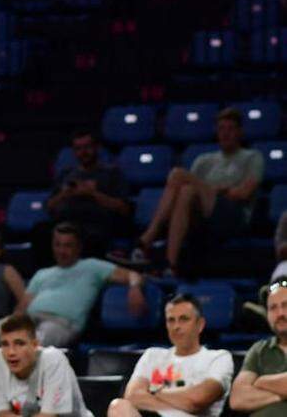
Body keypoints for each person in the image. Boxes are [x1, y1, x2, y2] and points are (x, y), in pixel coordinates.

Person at [0, 223, 146, 360]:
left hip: (61, 324)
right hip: (29, 321)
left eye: (68, 245)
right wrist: (12, 325)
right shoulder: (42, 273)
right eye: (58, 245)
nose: (61, 250)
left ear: (78, 248)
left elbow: (133, 274)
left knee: (30, 344)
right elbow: (22, 307)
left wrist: (135, 288)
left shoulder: (93, 267)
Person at [135, 107, 264, 272]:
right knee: (185, 192)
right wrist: (222, 189)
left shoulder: (252, 157)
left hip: (233, 215)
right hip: (201, 216)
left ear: (240, 132)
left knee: (178, 174)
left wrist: (213, 191)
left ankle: (148, 237)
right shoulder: (204, 160)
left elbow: (243, 194)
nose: (225, 134)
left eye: (231, 129)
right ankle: (171, 265)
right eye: (221, 129)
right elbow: (188, 190)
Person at [108, 293, 233, 417]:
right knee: (119, 406)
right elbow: (133, 396)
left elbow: (195, 401)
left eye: (184, 319)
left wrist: (153, 391)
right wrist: (179, 402)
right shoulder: (152, 355)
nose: (176, 326)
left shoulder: (219, 358)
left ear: (200, 324)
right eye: (171, 320)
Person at [0, 314, 88, 417]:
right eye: (5, 344)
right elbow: (2, 414)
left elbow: (49, 416)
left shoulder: (53, 360)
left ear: (35, 345)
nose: (11, 352)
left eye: (19, 343)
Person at [46, 130, 130, 257]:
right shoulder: (66, 174)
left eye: (87, 147)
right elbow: (48, 206)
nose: (83, 152)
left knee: (86, 237)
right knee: (40, 231)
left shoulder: (111, 173)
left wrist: (92, 193)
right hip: (65, 223)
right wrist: (64, 194)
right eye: (78, 148)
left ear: (97, 147)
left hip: (96, 225)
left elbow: (124, 208)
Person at [230, 277, 287, 417]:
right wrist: (281, 395)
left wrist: (260, 382)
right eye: (273, 308)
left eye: (286, 305)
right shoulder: (260, 349)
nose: (280, 314)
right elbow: (237, 399)